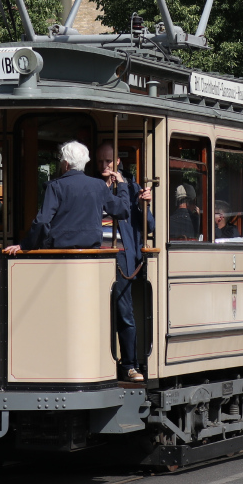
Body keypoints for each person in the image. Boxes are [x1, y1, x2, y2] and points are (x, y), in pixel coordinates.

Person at [4, 141, 129, 254]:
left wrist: (26, 245)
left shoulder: (55, 186)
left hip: (59, 252)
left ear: (66, 164)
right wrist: (122, 185)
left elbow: (42, 222)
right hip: (91, 253)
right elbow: (122, 210)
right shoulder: (99, 185)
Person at [95, 141, 153, 383]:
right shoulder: (94, 187)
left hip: (121, 257)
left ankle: (129, 364)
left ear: (118, 161)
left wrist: (143, 204)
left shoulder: (131, 188)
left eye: (108, 161)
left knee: (124, 312)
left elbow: (150, 225)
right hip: (94, 256)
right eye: (100, 162)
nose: (104, 166)